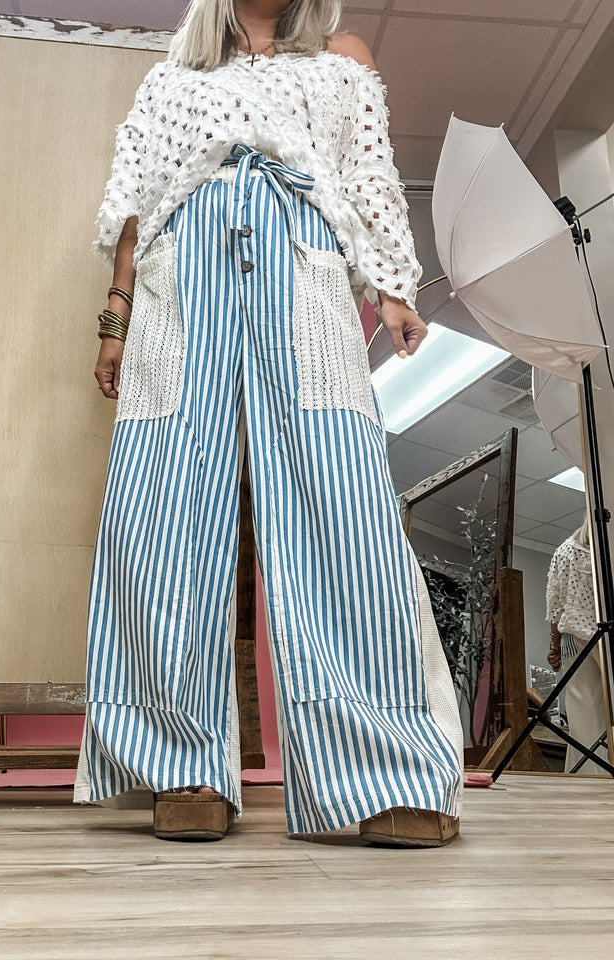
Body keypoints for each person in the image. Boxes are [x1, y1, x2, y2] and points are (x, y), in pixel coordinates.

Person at [73, 0, 464, 846]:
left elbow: (368, 177)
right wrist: (115, 319)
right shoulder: (172, 77)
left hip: (302, 269)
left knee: (341, 507)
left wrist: (393, 289)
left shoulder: (342, 56)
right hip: (183, 280)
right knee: (162, 507)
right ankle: (181, 762)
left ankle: (386, 767)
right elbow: (135, 202)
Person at [546, 519, 610, 774]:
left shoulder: (565, 552)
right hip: (604, 639)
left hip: (575, 641)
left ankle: (587, 783)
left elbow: (556, 606)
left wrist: (554, 645)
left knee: (584, 725)